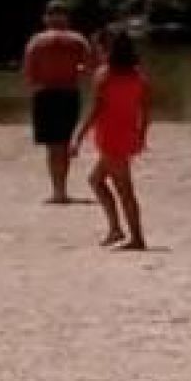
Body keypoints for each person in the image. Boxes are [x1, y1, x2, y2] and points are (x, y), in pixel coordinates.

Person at [73, 28, 151, 250]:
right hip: (128, 133)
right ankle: (116, 229)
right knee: (97, 180)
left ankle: (136, 237)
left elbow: (96, 109)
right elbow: (145, 110)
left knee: (124, 188)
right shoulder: (139, 76)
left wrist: (79, 136)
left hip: (110, 135)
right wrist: (142, 135)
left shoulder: (104, 75)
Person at [22, 1, 94, 205]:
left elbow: (29, 73)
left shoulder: (37, 41)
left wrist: (36, 84)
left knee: (52, 146)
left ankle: (58, 191)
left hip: (45, 93)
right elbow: (89, 68)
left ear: (46, 18)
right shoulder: (77, 40)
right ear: (66, 17)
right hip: (69, 92)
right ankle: (63, 189)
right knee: (64, 142)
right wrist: (75, 72)